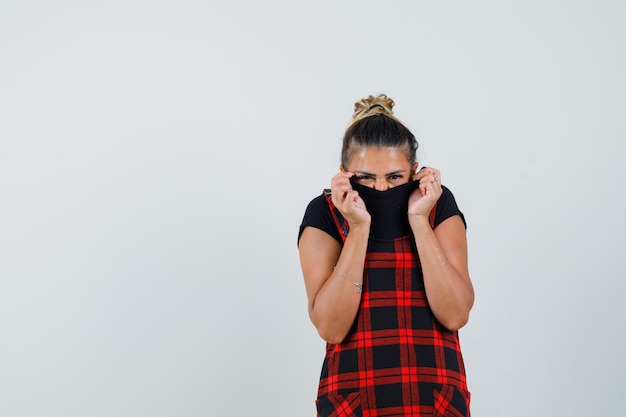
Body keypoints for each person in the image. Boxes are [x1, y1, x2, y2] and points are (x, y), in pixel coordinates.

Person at [297, 94, 474, 416]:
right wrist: (358, 228)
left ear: (414, 171)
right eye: (365, 178)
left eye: (394, 177)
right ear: (344, 173)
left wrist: (419, 219)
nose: (380, 190)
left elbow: (455, 314)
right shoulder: (324, 212)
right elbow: (331, 328)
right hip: (354, 397)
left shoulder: (436, 204)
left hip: (434, 397)